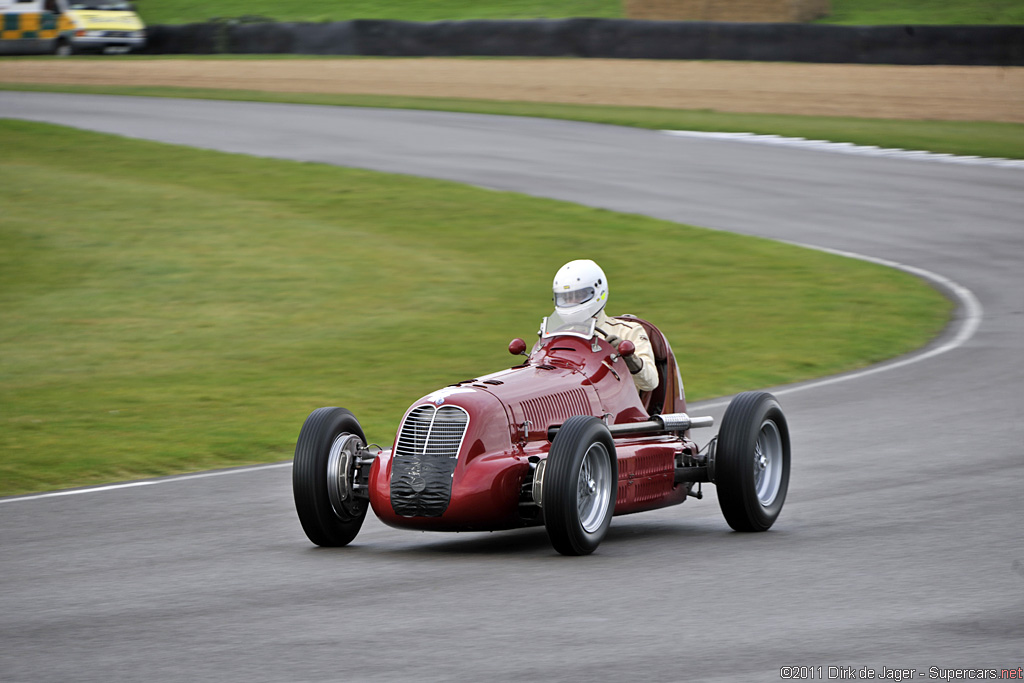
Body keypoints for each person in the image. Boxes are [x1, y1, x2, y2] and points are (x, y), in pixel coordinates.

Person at [550, 259, 659, 393]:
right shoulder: (559, 339)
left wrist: (629, 358)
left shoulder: (628, 331)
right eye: (566, 298)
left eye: (578, 296)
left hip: (620, 409)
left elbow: (651, 382)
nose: (572, 302)